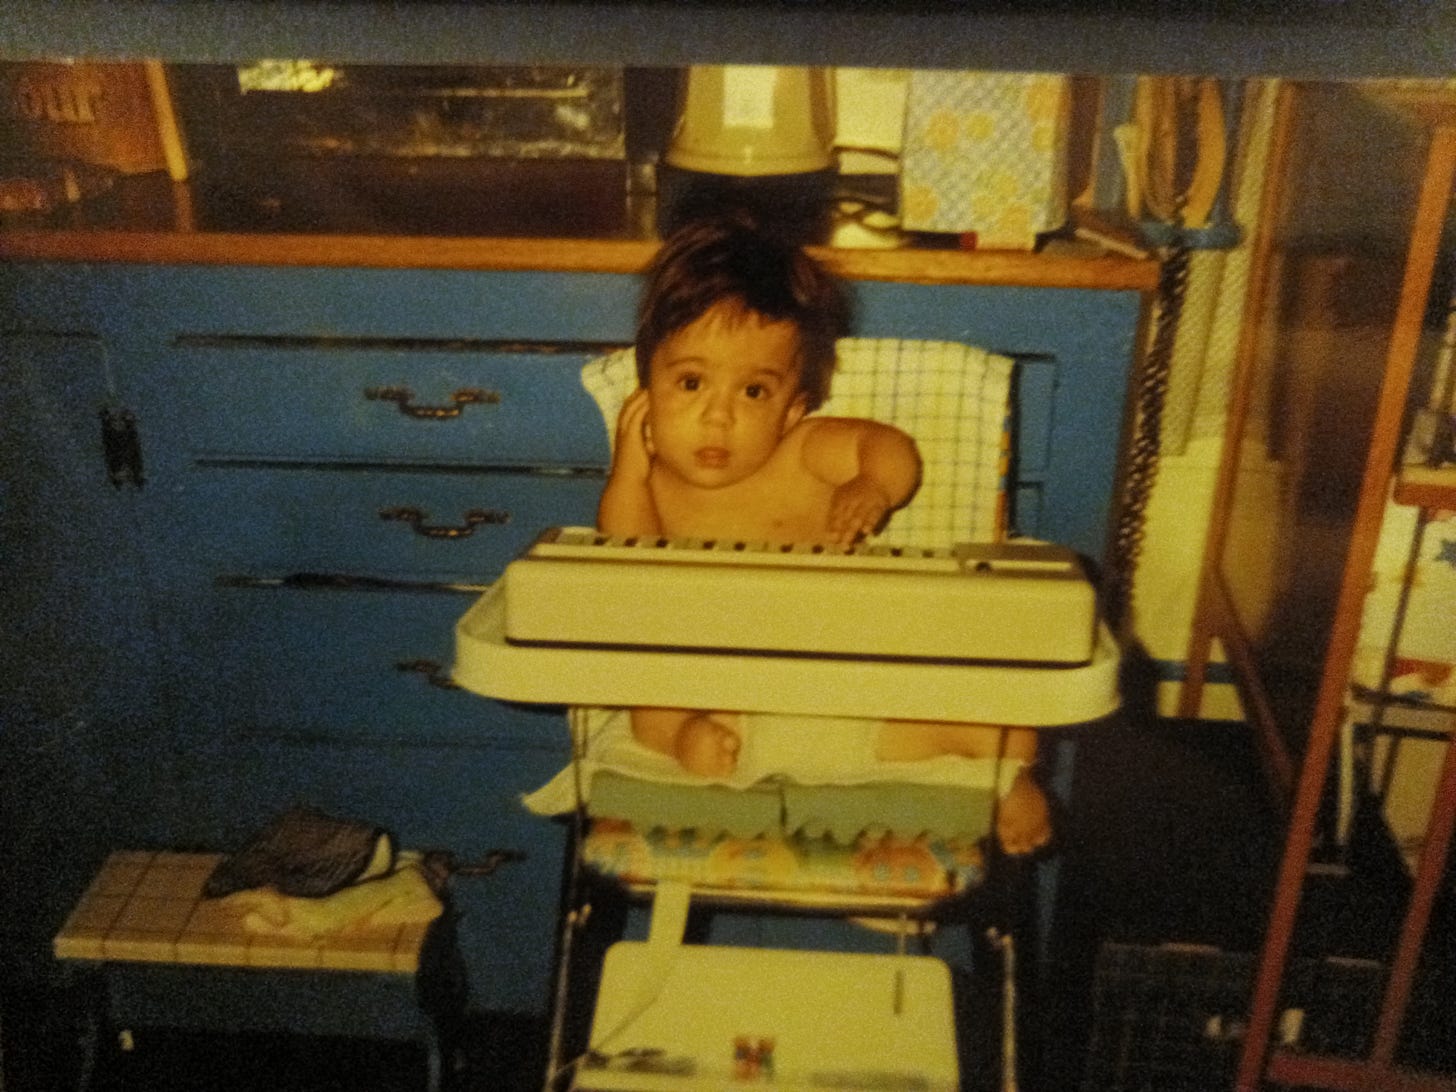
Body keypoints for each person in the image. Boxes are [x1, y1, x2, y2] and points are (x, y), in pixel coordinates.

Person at [598, 214, 1050, 855]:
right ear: (648, 390)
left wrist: (871, 486)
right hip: (719, 686)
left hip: (839, 679)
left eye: (753, 390)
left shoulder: (803, 453)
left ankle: (1004, 775)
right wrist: (627, 472)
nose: (717, 415)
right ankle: (690, 741)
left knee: (1007, 727)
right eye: (691, 383)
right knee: (650, 715)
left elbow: (890, 448)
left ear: (792, 408)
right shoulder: (651, 487)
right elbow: (623, 560)